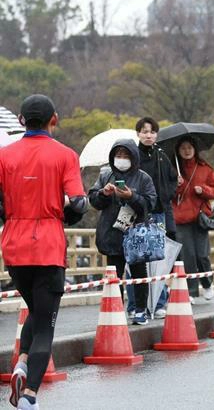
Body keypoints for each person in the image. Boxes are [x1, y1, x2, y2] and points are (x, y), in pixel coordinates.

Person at [0, 95, 88, 410]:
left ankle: (22, 362)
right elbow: (78, 203)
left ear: (21, 121)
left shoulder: (4, 155)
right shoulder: (65, 155)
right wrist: (65, 211)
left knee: (37, 309)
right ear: (54, 119)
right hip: (48, 243)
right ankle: (29, 396)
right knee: (46, 323)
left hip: (14, 245)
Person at [88, 140, 157, 325]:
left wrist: (131, 197)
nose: (122, 159)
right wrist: (103, 193)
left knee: (139, 273)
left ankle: (141, 310)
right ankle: (116, 310)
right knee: (114, 274)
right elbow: (93, 200)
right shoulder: (105, 175)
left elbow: (150, 203)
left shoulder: (144, 178)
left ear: (134, 157)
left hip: (135, 232)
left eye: (126, 155)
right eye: (118, 155)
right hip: (112, 232)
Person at [133, 116, 178, 320]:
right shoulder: (132, 155)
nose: (148, 135)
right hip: (137, 212)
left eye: (151, 131)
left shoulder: (163, 156)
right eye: (144, 131)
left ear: (156, 134)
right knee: (135, 258)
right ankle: (136, 304)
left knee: (159, 258)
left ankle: (159, 302)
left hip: (159, 211)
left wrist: (167, 194)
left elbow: (171, 182)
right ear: (138, 134)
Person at [173, 138, 214, 302]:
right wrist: (177, 185)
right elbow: (168, 193)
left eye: (189, 147)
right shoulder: (174, 170)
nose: (186, 151)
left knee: (202, 255)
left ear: (195, 149)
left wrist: (203, 190)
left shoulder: (205, 168)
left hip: (200, 218)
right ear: (178, 151)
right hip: (181, 218)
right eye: (183, 148)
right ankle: (191, 292)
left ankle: (207, 284)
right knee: (187, 257)